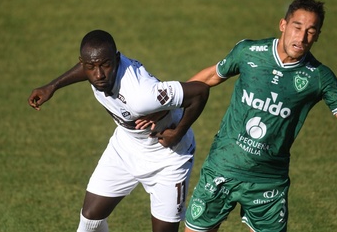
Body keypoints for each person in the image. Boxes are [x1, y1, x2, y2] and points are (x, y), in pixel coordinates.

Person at [182, 0, 337, 232]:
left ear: (318, 36)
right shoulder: (249, 52)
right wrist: (170, 103)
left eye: (311, 31)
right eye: (297, 27)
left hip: (268, 184)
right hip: (223, 169)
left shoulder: (319, 77)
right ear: (283, 25)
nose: (302, 37)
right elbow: (210, 77)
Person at [28, 30, 209, 232]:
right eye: (90, 66)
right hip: (125, 149)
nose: (98, 74)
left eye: (105, 65)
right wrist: (51, 87)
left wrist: (178, 133)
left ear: (116, 58)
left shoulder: (141, 94)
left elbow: (200, 92)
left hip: (168, 159)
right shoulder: (96, 69)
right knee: (89, 221)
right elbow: (92, 65)